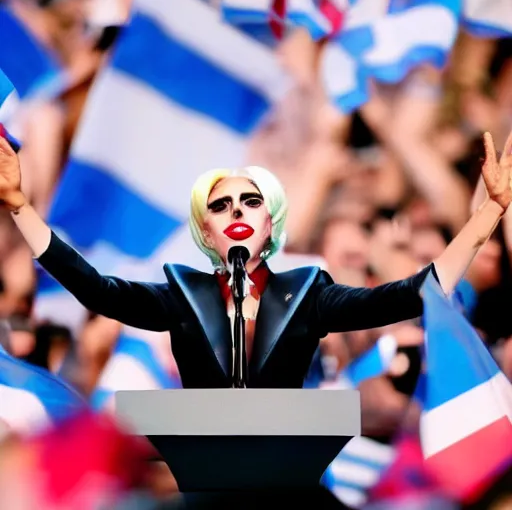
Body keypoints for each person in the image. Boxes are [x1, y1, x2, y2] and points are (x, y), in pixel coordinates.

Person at [0, 130, 511, 389]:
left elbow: (413, 292)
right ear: (205, 229)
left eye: (251, 202)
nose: (236, 212)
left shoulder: (309, 291)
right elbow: (95, 289)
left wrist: (490, 213)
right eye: (220, 206)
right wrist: (20, 206)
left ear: (273, 223)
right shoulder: (183, 293)